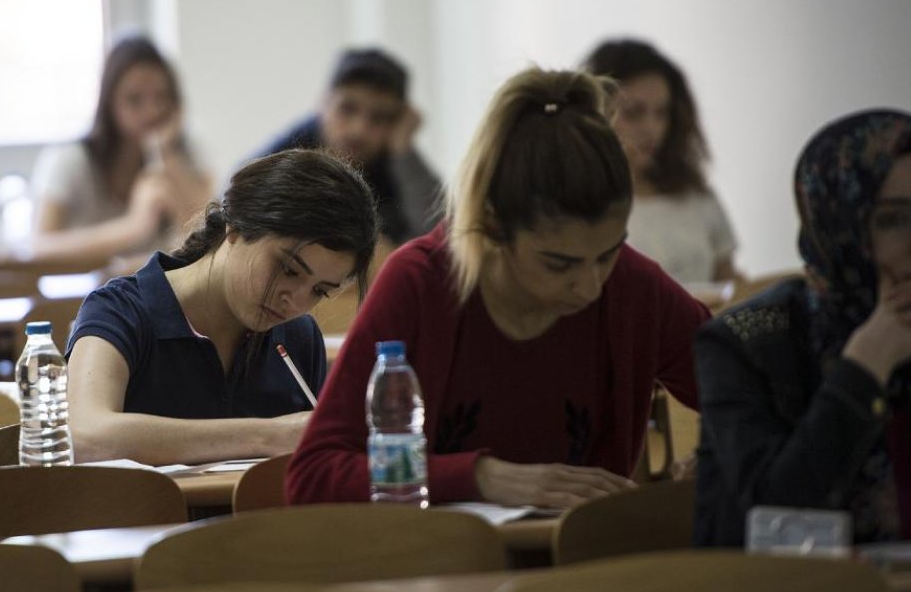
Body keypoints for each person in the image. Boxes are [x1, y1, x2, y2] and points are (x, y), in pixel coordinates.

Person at [286, 67, 710, 509]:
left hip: (580, 567)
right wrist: (480, 476)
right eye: (558, 263)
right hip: (440, 563)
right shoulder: (420, 283)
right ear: (491, 225)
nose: (589, 286)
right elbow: (315, 475)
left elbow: (758, 386)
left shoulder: (632, 284)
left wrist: (728, 449)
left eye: (607, 255)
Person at [64, 150, 379, 466]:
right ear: (235, 228)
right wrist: (269, 436)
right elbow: (85, 436)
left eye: (319, 291)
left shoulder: (297, 336)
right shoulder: (120, 312)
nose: (296, 301)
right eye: (288, 269)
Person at [695, 109, 911, 546]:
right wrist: (863, 371)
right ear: (837, 223)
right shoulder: (746, 340)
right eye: (892, 220)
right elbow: (776, 512)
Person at [29, 35, 212, 268]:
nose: (152, 111)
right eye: (135, 100)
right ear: (109, 104)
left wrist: (168, 154)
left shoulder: (185, 153)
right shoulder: (70, 159)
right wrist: (133, 226)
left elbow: (210, 237)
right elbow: (38, 249)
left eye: (162, 97)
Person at [584, 39, 739, 285]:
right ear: (596, 116)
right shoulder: (580, 207)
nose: (651, 129)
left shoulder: (696, 196)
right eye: (634, 113)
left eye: (662, 113)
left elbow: (729, 282)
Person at [249, 47, 442, 245]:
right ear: (324, 103)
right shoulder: (288, 151)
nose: (359, 129)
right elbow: (234, 204)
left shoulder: (397, 161)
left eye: (379, 118)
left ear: (397, 121)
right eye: (347, 109)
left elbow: (442, 237)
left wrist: (404, 150)